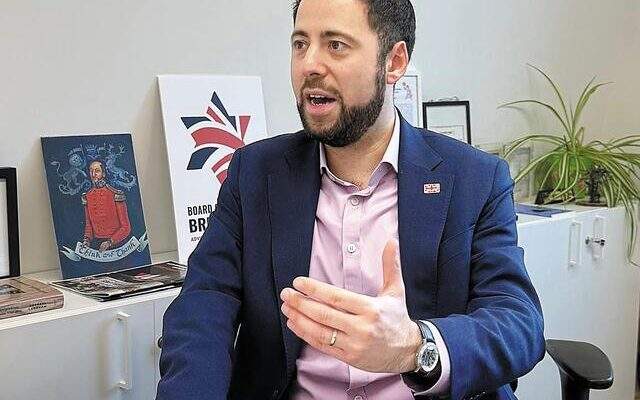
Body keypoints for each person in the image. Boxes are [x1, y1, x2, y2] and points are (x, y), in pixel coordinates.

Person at [156, 0, 545, 399]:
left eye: (336, 45)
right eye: (300, 44)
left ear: (394, 62)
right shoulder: (254, 172)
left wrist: (415, 347)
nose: (309, 65)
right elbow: (203, 304)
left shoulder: (475, 179)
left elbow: (517, 323)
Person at [81, 160, 131, 251]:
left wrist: (110, 242)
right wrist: (87, 240)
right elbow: (89, 224)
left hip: (117, 244)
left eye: (97, 171)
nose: (93, 174)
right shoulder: (87, 196)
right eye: (91, 171)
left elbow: (126, 227)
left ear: (103, 174)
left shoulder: (115, 194)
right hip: (96, 244)